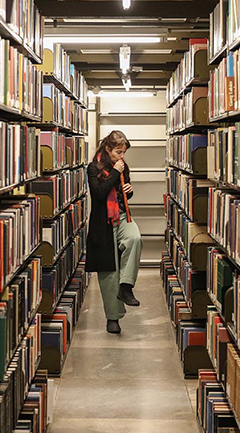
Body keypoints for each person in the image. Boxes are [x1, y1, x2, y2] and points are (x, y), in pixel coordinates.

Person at [85, 130, 143, 334]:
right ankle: (113, 318)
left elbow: (123, 191)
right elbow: (99, 194)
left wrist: (130, 190)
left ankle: (126, 286)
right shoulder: (93, 168)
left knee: (134, 238)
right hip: (103, 223)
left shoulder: (122, 167)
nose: (122, 157)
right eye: (118, 152)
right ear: (107, 149)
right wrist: (117, 173)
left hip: (122, 215)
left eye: (124, 153)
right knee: (109, 273)